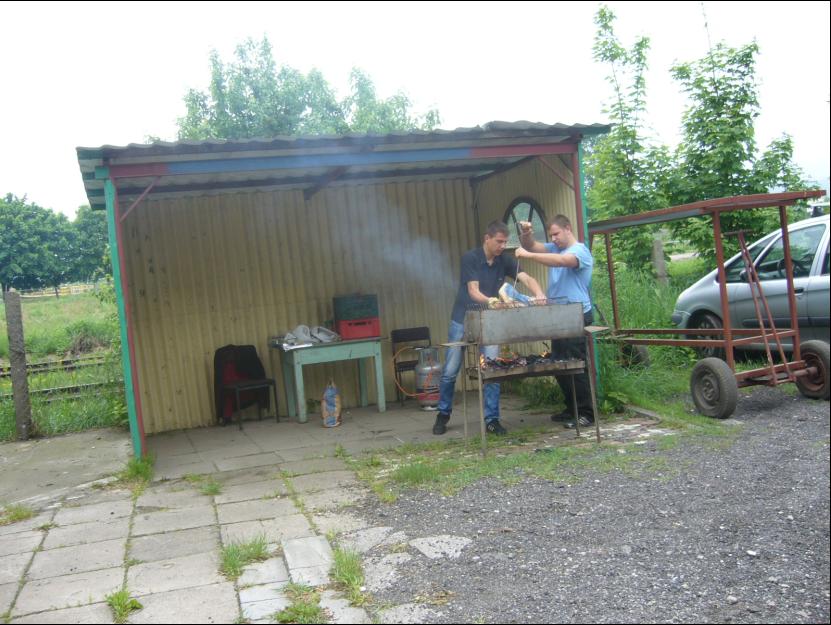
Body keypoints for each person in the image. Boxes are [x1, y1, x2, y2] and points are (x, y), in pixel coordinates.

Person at [433, 220, 545, 436]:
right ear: (487, 239)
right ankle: (443, 414)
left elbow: (526, 278)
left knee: (492, 369)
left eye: (505, 242)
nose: (502, 246)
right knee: (450, 371)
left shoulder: (505, 260)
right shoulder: (470, 258)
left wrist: (539, 294)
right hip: (463, 319)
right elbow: (473, 291)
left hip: (490, 322)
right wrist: (492, 301)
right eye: (499, 242)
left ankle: (492, 419)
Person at [516, 214, 595, 428]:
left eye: (556, 234)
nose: (554, 239)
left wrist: (529, 255)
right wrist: (526, 233)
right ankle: (571, 408)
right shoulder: (555, 248)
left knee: (576, 364)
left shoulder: (579, 251)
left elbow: (561, 262)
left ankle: (586, 413)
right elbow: (531, 245)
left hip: (577, 314)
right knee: (559, 365)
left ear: (568, 228)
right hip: (558, 315)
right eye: (551, 235)